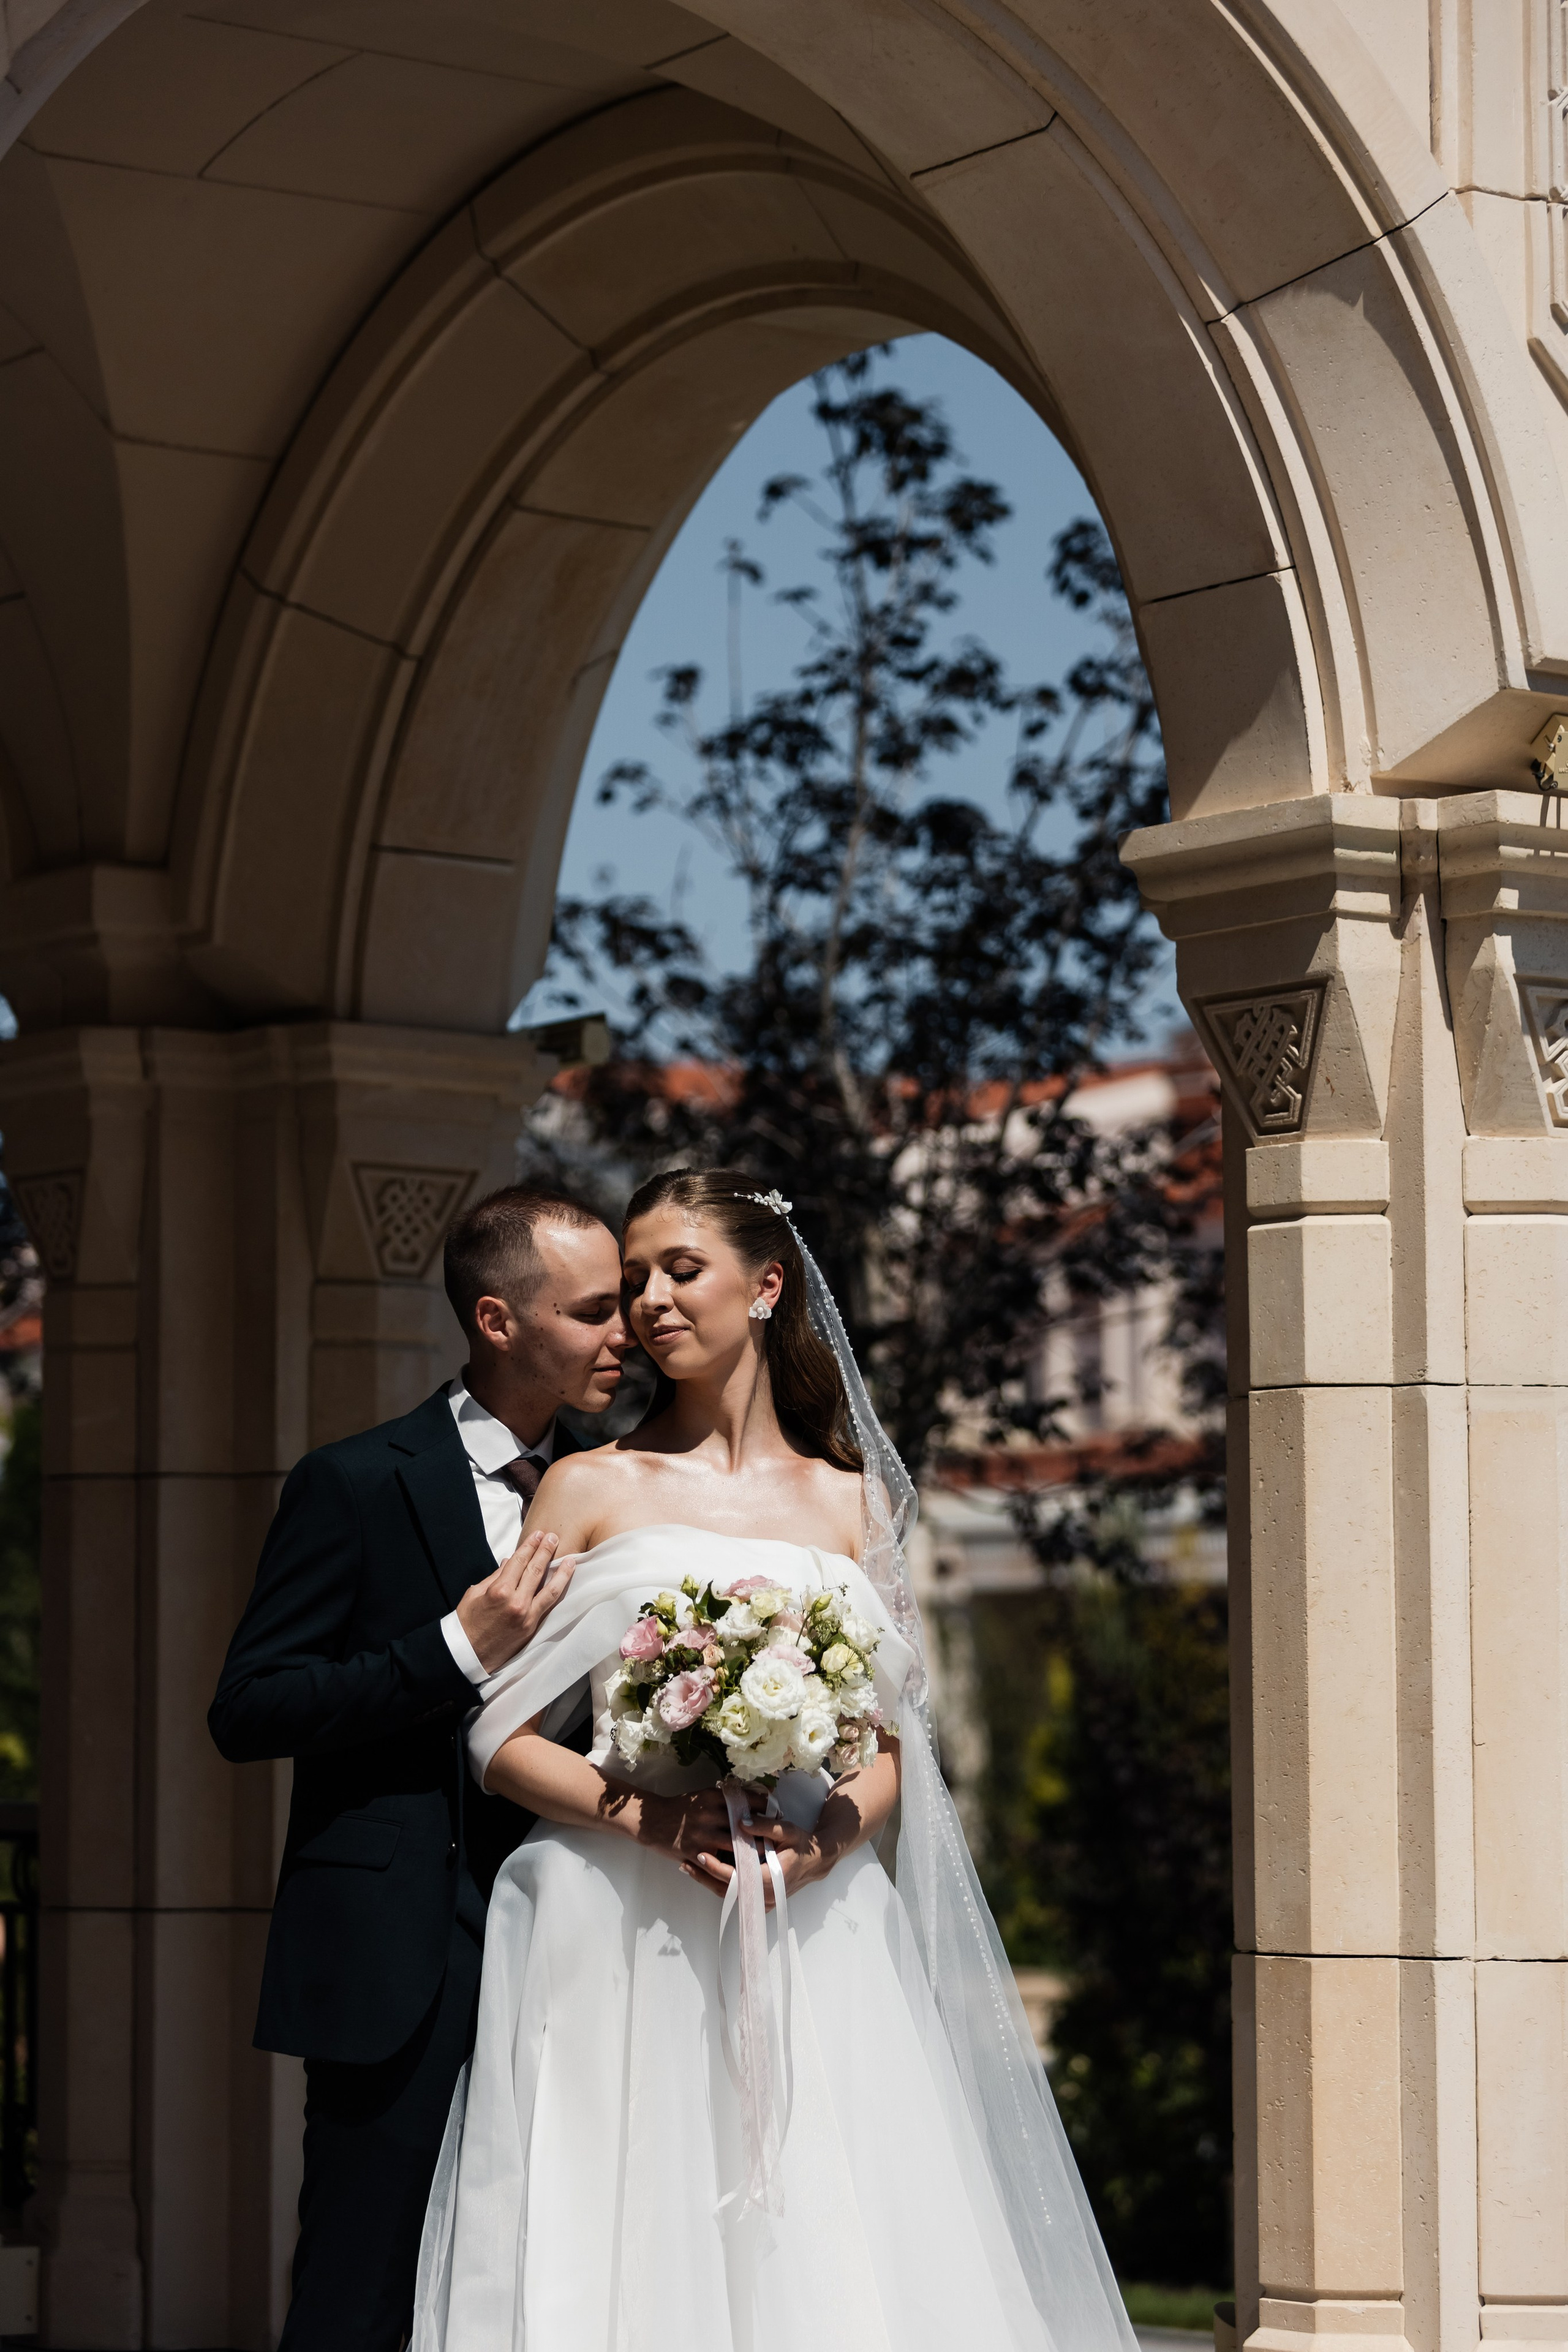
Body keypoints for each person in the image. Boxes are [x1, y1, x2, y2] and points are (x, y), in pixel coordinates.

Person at [413, 1170, 1138, 2352]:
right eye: (633, 1280)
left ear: (765, 1285)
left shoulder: (855, 1503)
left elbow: (894, 1746)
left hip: (814, 1922)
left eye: (679, 1270)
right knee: (624, 2238)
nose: (649, 1301)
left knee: (827, 2242)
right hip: (618, 1918)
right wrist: (651, 1821)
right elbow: (497, 1737)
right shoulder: (587, 1485)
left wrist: (824, 1847)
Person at [208, 1184, 633, 2352]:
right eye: (594, 1311)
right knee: (362, 2287)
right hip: (403, 1953)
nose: (626, 1333)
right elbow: (247, 1709)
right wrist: (455, 1648)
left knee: (557, 2276)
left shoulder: (626, 1492)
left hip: (587, 1939)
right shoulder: (353, 1482)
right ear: (498, 1320)